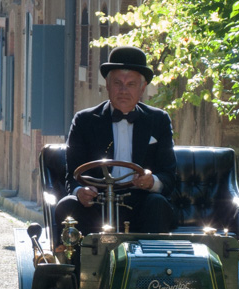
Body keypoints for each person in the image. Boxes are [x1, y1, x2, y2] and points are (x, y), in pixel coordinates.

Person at [55, 46, 176, 239]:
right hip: (96, 204)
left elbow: (169, 175)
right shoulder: (84, 120)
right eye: (118, 83)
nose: (123, 91)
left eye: (131, 84)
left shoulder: (158, 120)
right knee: (67, 206)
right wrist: (81, 192)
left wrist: (151, 181)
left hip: (142, 203)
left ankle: (150, 267)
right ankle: (79, 267)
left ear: (142, 88)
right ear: (107, 85)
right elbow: (72, 175)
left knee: (158, 204)